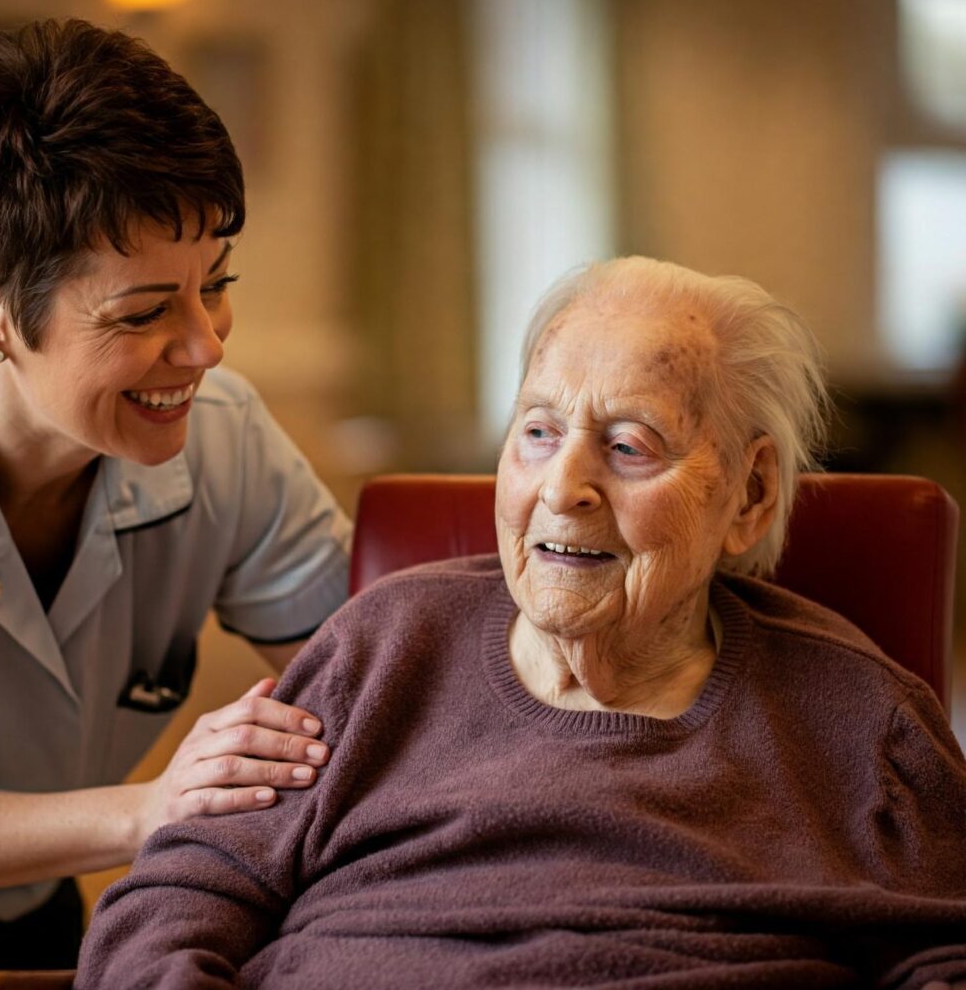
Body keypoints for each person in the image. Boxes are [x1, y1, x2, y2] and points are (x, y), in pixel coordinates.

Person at [77, 257, 966, 989]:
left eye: (628, 446)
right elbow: (178, 898)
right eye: (538, 433)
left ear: (751, 492)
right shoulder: (383, 647)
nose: (562, 488)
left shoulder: (860, 719)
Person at [0, 19, 352, 975]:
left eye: (216, 286)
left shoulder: (224, 436)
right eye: (145, 312)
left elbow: (366, 677)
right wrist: (150, 808)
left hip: (32, 911)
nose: (207, 344)